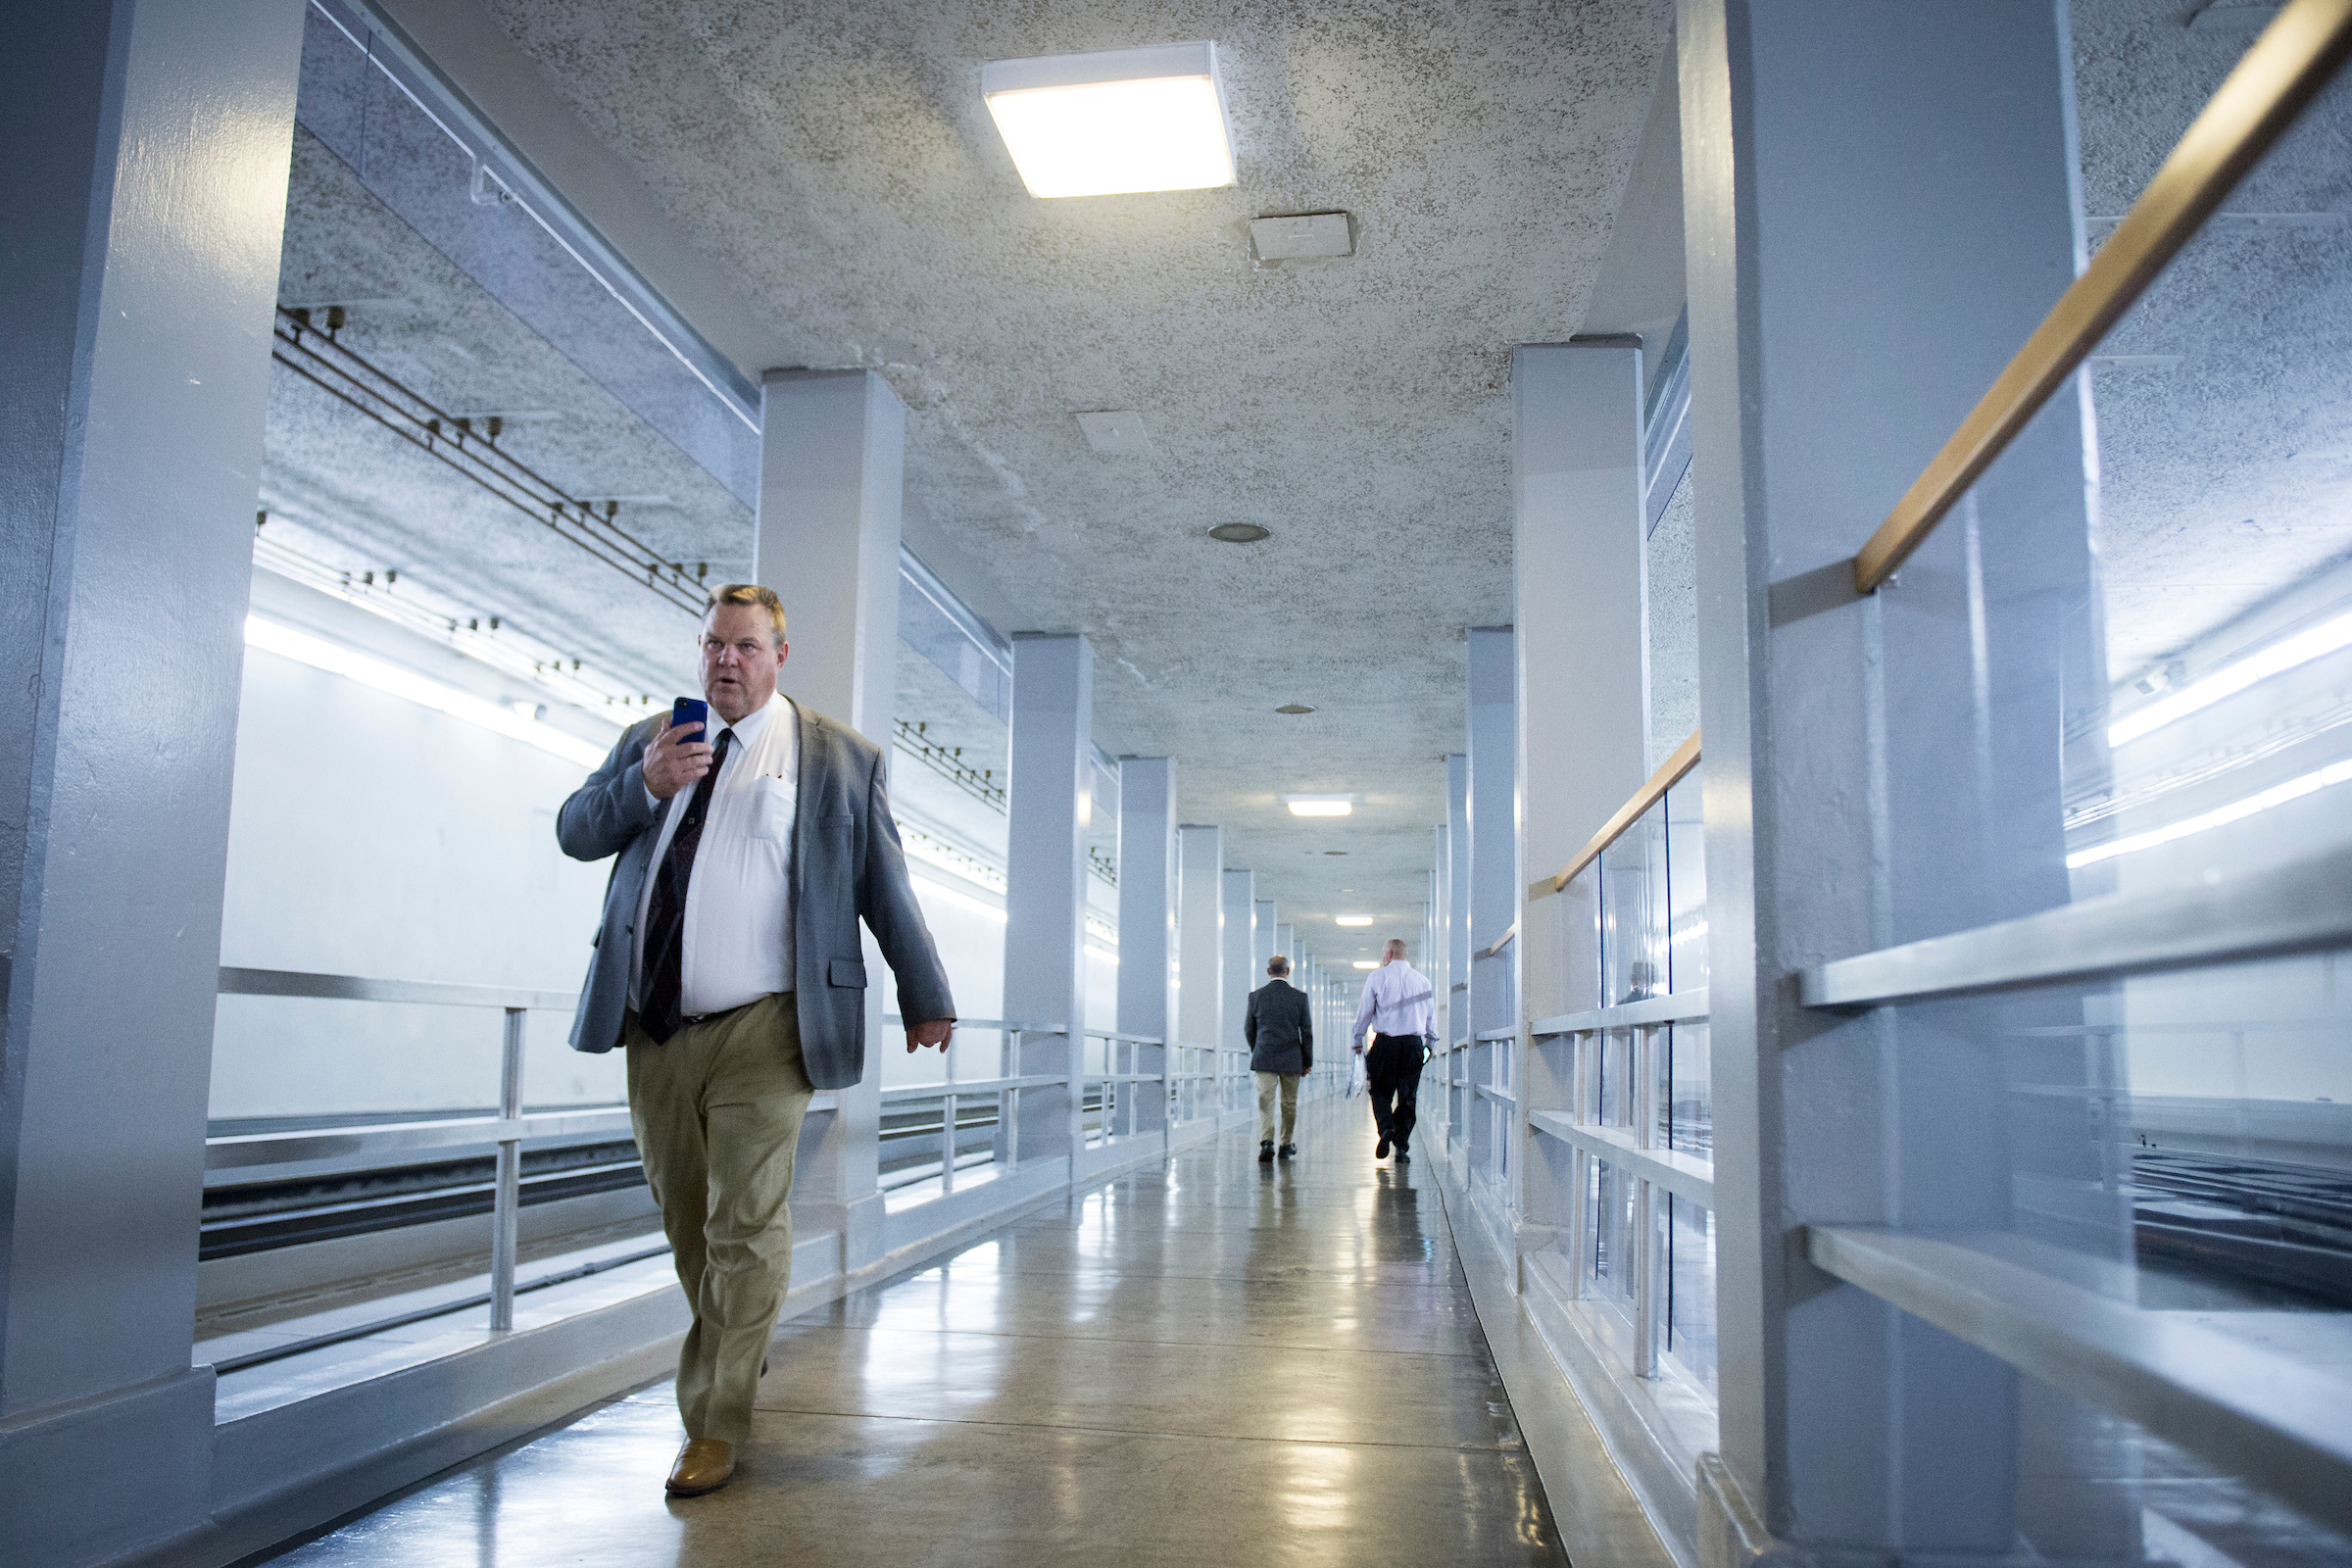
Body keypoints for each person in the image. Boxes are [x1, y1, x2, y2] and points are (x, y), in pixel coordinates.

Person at [557, 583, 956, 1498]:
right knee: (687, 1215)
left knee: (745, 1220)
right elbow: (575, 830)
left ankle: (714, 1422)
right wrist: (640, 785)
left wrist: (924, 993)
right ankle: (740, 1337)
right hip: (654, 1022)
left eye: (743, 646)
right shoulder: (653, 740)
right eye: (711, 645)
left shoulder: (834, 758)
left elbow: (882, 884)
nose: (724, 661)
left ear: (780, 655)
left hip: (770, 1027)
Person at [1349, 939, 1435, 1162]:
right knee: (1408, 1096)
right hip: (1413, 1045)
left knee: (1379, 1091)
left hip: (1385, 1044)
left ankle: (1386, 1127)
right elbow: (1430, 1017)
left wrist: (1358, 1037)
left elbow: (1365, 1011)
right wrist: (1431, 1044)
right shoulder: (1423, 981)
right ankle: (1402, 1145)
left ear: (1388, 953)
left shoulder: (1377, 977)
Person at [1244, 955, 1312, 1162]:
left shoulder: (1256, 997)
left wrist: (1258, 1048)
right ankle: (1285, 1144)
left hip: (1265, 1056)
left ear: (1268, 971)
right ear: (1287, 971)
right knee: (1289, 1103)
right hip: (1291, 1058)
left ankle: (1266, 1143)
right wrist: (1307, 1061)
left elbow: (1249, 1029)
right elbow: (1307, 1032)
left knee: (1266, 1101)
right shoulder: (1299, 998)